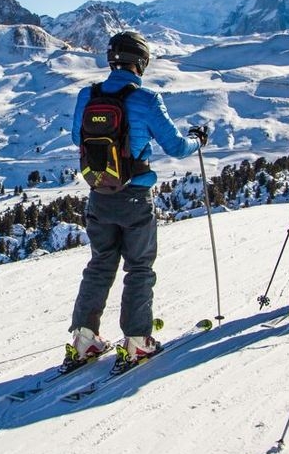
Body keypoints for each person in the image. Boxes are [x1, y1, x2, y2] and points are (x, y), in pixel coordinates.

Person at [67, 30, 203, 368]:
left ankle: (84, 339)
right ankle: (138, 340)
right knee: (139, 267)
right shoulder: (146, 99)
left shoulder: (88, 95)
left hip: (99, 195)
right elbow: (175, 146)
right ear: (140, 62)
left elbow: (76, 137)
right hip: (135, 197)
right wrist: (197, 140)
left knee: (99, 265)